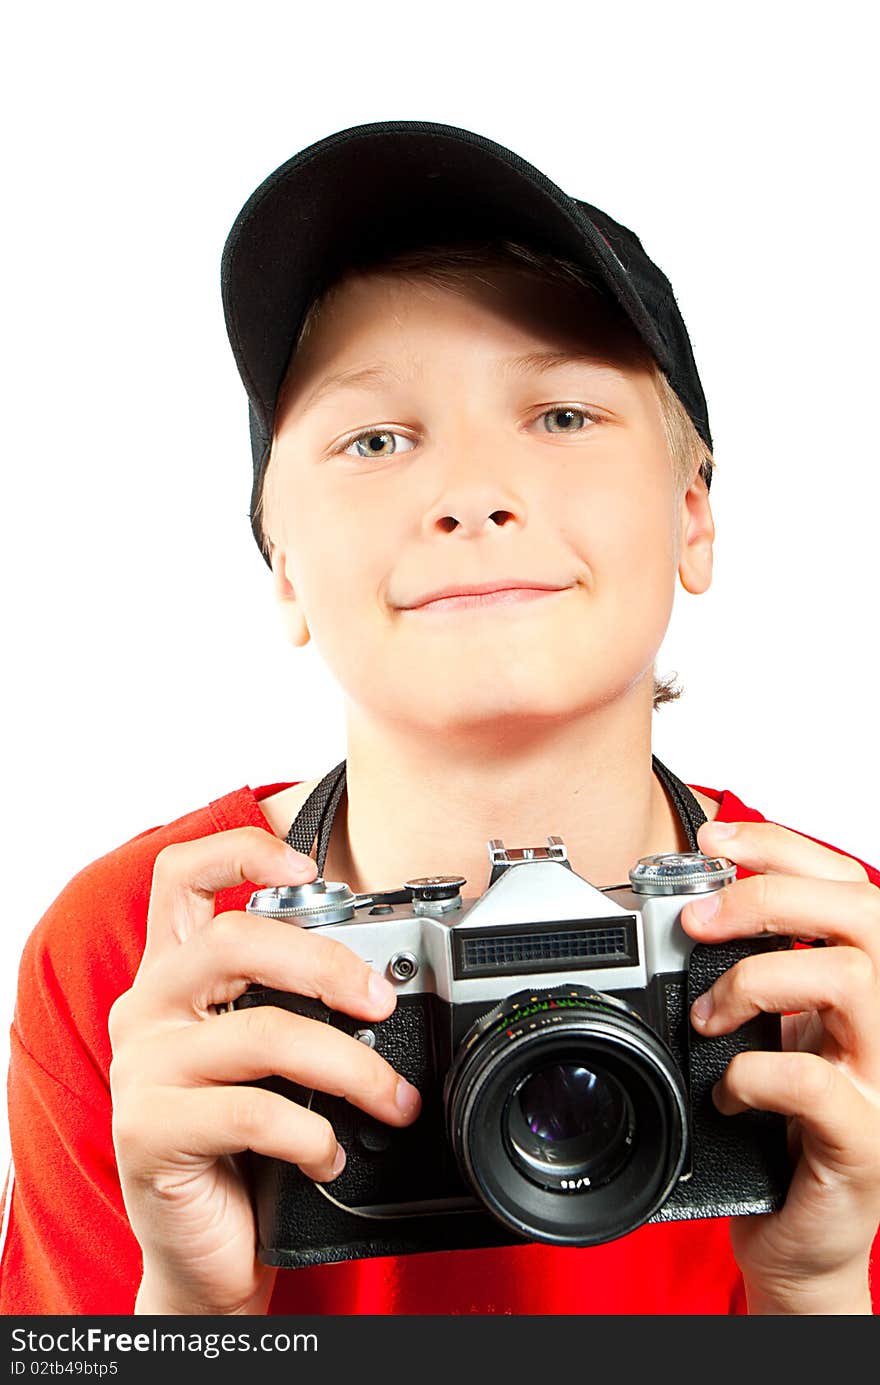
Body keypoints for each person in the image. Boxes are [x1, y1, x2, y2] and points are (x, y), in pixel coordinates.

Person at [2, 120, 878, 1317]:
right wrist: (194, 1312)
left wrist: (818, 1287)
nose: (471, 494)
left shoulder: (830, 962)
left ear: (692, 516)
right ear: (286, 572)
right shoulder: (145, 955)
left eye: (562, 414)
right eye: (375, 438)